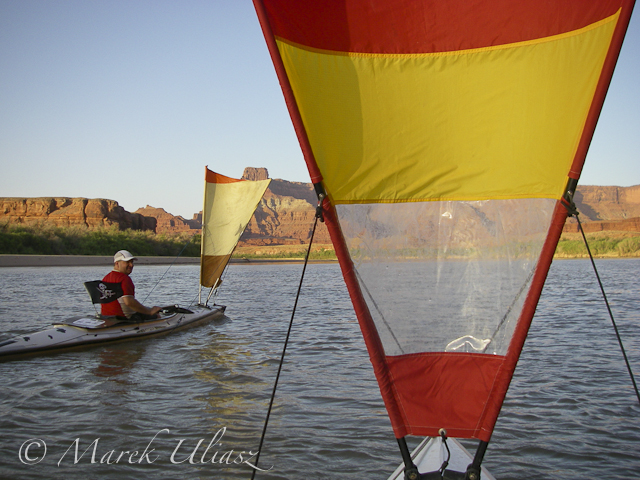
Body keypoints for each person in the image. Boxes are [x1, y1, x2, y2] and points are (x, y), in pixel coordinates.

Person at [101, 250, 162, 320]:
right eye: (127, 262)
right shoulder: (124, 279)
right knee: (157, 315)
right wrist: (150, 311)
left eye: (132, 262)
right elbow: (129, 302)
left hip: (106, 317)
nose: (131, 265)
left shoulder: (105, 278)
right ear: (117, 263)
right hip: (124, 319)